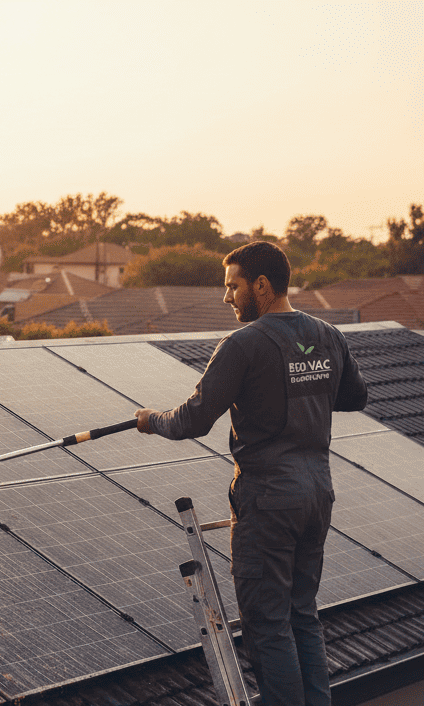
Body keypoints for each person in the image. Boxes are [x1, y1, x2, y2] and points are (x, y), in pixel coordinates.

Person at [134, 241, 367, 706]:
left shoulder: (243, 345)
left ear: (261, 285)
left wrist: (150, 420)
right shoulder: (327, 335)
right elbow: (354, 396)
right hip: (317, 494)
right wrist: (305, 390)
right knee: (302, 614)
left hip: (268, 501)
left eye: (232, 286)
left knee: (267, 624)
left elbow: (191, 421)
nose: (227, 297)